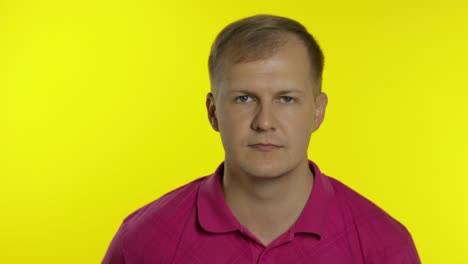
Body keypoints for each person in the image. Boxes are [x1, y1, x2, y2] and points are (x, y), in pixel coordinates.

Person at [102, 14, 420, 263]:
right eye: (244, 99)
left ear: (318, 111)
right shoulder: (144, 240)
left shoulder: (384, 245)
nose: (264, 122)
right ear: (213, 112)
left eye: (286, 99)